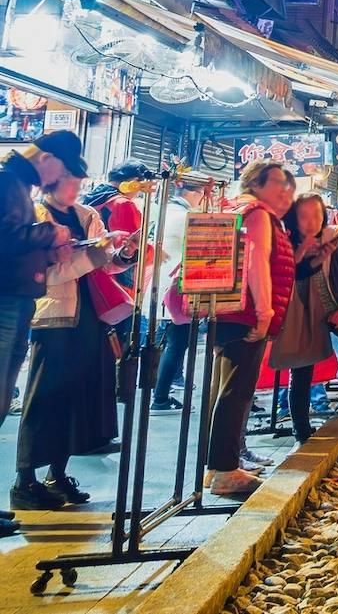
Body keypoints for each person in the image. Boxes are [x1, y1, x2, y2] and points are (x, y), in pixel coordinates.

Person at [12, 169, 132, 511]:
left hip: (91, 316)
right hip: (52, 317)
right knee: (43, 397)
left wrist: (122, 253)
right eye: (68, 178)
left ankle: (57, 474)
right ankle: (25, 480)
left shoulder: (87, 214)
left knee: (76, 395)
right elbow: (46, 273)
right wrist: (93, 256)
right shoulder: (36, 216)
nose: (75, 186)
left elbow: (103, 266)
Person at [0, 131, 84, 536]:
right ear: (47, 158)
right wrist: (51, 235)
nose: (59, 182)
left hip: (17, 300)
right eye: (63, 171)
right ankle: (24, 482)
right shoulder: (9, 183)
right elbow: (5, 239)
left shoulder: (18, 185)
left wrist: (47, 248)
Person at [206, 160, 296, 498]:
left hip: (227, 309)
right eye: (277, 182)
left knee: (224, 389)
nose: (284, 189)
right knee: (236, 392)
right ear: (255, 183)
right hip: (244, 312)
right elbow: (256, 262)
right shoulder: (258, 214)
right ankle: (226, 472)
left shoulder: (239, 208)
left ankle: (217, 465)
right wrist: (264, 313)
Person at [281, 194, 338, 438]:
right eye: (303, 216)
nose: (310, 222)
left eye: (316, 215)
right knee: (300, 367)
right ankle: (301, 431)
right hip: (300, 312)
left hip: (335, 305)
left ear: (324, 216)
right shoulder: (286, 244)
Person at [151, 179, 198, 411]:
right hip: (177, 287)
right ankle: (159, 397)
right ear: (192, 193)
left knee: (173, 342)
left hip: (165, 285)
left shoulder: (167, 211)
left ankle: (164, 391)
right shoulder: (182, 216)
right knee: (176, 344)